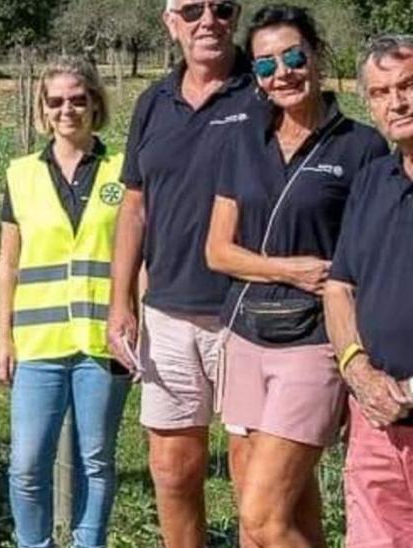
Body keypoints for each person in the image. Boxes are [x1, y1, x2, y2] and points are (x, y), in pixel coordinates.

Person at [203, 7, 389, 546]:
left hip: (313, 343)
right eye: (265, 64)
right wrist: (290, 270)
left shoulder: (361, 149)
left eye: (291, 56)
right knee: (275, 519)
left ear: (316, 54)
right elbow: (217, 250)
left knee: (261, 518)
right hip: (245, 336)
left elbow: (368, 261)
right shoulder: (243, 142)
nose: (281, 73)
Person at [106, 1, 258, 545]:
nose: (207, 20)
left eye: (222, 7)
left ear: (236, 17)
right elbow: (134, 207)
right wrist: (120, 300)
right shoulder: (153, 102)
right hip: (166, 311)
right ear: (170, 23)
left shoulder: (263, 89)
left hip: (248, 312)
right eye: (191, 9)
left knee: (254, 479)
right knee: (173, 469)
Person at [0, 57, 130, 548]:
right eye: (56, 101)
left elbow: (140, 256)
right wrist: (3, 338)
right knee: (28, 462)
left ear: (95, 101)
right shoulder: (21, 174)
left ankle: (88, 542)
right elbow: (8, 263)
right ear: (43, 110)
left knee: (97, 459)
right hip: (38, 341)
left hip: (104, 341)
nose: (67, 109)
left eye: (77, 98)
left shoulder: (124, 170)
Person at [324, 34, 413, 547]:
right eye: (380, 93)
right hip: (377, 417)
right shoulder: (372, 180)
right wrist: (356, 369)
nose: (396, 102)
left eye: (407, 86)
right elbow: (339, 286)